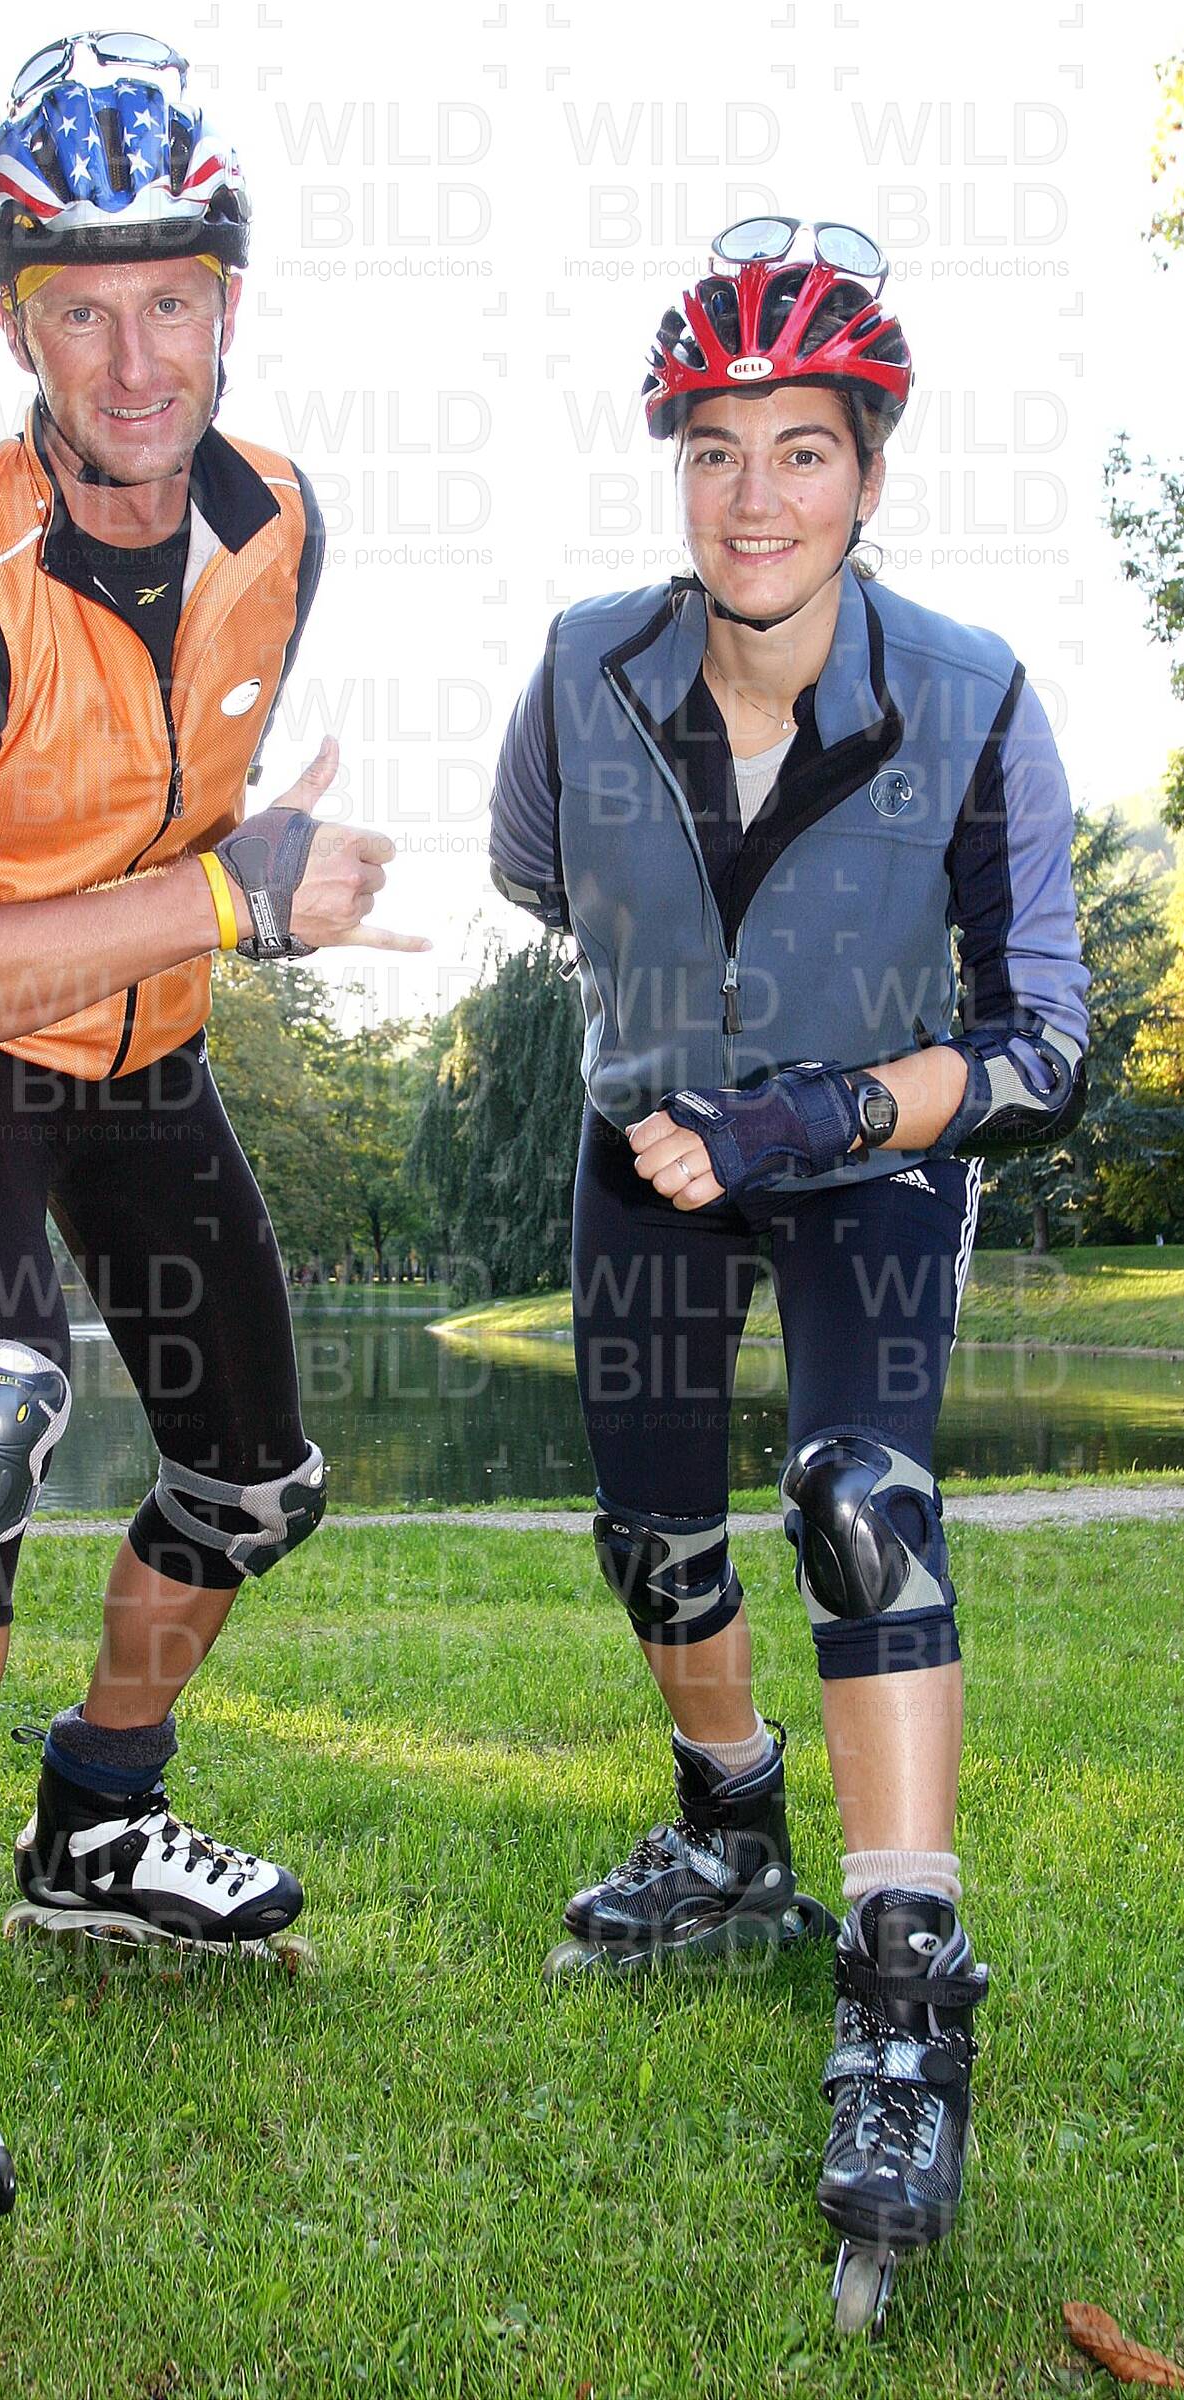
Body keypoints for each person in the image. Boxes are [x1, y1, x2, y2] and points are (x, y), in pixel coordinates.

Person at [0, 30, 422, 2355]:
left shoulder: (287, 520)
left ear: (231, 301)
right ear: (16, 325)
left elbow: (188, 807)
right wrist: (228, 900)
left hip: (148, 1056)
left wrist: (235, 894)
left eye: (174, 298)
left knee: (258, 1483)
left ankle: (99, 1821)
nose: (136, 358)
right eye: (84, 309)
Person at [489, 216, 1088, 2333]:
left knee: (858, 1496)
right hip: (646, 1143)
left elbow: (1044, 1045)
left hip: (871, 1156)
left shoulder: (976, 694)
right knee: (653, 1538)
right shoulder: (580, 668)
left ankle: (906, 2001)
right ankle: (731, 1837)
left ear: (870, 472)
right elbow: (539, 876)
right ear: (675, 466)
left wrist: (815, 1108)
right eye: (715, 448)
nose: (756, 495)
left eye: (803, 449)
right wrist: (686, 1057)